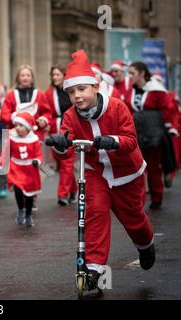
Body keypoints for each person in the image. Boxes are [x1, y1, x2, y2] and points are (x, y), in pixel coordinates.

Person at [48, 50, 155, 290]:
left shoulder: (117, 107)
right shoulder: (69, 116)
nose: (76, 96)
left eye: (82, 89)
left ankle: (145, 244)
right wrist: (61, 144)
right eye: (72, 92)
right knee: (94, 213)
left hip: (127, 172)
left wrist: (112, 140)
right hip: (95, 172)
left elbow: (130, 141)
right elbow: (66, 145)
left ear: (95, 87)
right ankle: (94, 269)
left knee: (134, 218)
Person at [125, 61, 177, 209]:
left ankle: (156, 197)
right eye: (129, 73)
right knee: (137, 167)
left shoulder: (156, 90)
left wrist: (168, 128)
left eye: (132, 73)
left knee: (153, 166)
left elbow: (167, 110)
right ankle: (138, 199)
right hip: (136, 131)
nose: (130, 76)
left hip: (153, 131)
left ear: (142, 73)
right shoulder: (132, 90)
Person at [0, 112, 42, 228]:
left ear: (27, 127)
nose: (17, 128)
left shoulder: (34, 139)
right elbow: (6, 152)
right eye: (16, 125)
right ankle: (21, 209)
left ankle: (28, 214)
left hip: (30, 169)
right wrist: (1, 163)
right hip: (16, 167)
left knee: (29, 194)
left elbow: (38, 154)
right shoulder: (12, 139)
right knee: (18, 189)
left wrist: (37, 161)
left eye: (21, 125)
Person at [44, 65, 78, 206]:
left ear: (64, 75)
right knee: (60, 163)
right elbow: (46, 111)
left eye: (57, 75)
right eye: (53, 75)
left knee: (67, 163)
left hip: (70, 130)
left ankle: (62, 195)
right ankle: (73, 189)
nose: (55, 77)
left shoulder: (71, 91)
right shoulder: (48, 93)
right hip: (54, 130)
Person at [0, 64, 52, 142]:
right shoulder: (11, 95)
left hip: (35, 134)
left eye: (28, 75)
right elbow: (4, 114)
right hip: (15, 134)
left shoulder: (39, 94)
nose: (25, 78)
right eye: (22, 75)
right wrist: (17, 117)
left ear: (32, 78)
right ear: (18, 78)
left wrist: (43, 120)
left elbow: (47, 112)